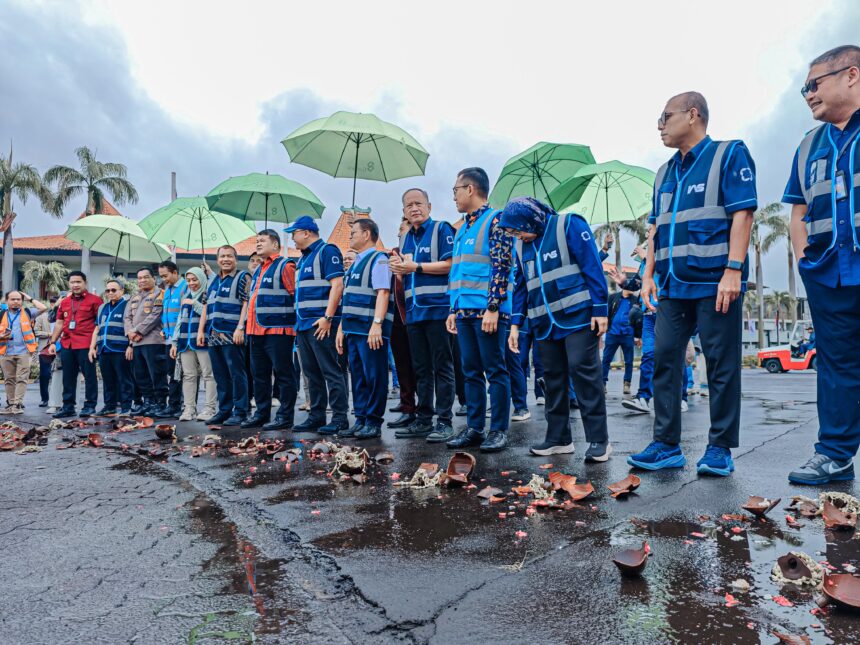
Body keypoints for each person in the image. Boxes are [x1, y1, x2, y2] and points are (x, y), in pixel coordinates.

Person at [628, 91, 757, 476]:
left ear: (693, 115)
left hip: (716, 283)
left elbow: (743, 214)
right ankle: (666, 444)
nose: (660, 125)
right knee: (664, 359)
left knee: (721, 365)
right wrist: (647, 275)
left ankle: (720, 448)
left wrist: (733, 271)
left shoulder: (728, 154)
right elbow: (655, 229)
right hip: (672, 286)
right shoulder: (664, 172)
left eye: (665, 116)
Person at [784, 45, 860, 485]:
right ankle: (833, 454)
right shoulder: (809, 145)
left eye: (813, 84)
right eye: (804, 88)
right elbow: (797, 210)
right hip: (828, 271)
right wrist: (802, 261)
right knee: (836, 364)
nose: (808, 94)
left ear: (851, 75)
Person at [503, 197, 611, 460]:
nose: (519, 236)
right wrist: (515, 324)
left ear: (532, 220)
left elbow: (592, 265)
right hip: (544, 322)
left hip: (578, 317)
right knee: (552, 379)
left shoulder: (568, 225)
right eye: (514, 233)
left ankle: (599, 440)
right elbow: (520, 286)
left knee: (583, 373)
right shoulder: (521, 245)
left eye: (519, 230)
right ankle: (558, 438)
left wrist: (600, 308)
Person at [446, 167, 512, 453]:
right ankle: (475, 427)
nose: (455, 197)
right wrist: (453, 308)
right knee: (470, 370)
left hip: (488, 312)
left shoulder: (495, 219)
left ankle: (498, 429)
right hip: (464, 313)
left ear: (470, 189)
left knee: (495, 370)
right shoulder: (464, 227)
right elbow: (459, 271)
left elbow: (502, 264)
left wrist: (494, 307)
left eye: (456, 190)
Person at [390, 193, 459, 442]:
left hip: (438, 309)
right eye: (409, 205)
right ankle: (423, 419)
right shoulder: (406, 238)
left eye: (419, 204)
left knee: (442, 366)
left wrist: (415, 267)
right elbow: (408, 274)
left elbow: (451, 264)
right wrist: (399, 270)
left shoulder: (442, 229)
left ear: (429, 206)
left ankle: (444, 421)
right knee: (420, 368)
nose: (414, 208)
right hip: (414, 312)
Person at [287, 215, 350, 435]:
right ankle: (316, 415)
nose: (292, 239)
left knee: (331, 371)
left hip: (321, 323)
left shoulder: (327, 251)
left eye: (293, 234)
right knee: (311, 374)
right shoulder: (303, 259)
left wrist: (328, 317)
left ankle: (340, 417)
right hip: (303, 325)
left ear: (306, 232)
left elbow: (338, 285)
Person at [336, 218, 393, 439]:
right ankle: (360, 419)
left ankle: (373, 421)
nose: (350, 237)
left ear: (366, 234)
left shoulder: (379, 260)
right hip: (352, 329)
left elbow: (383, 293)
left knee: (374, 376)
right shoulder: (355, 264)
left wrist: (377, 325)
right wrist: (341, 329)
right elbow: (348, 300)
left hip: (369, 331)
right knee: (358, 376)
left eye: (353, 233)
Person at [242, 229, 298, 431]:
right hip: (255, 331)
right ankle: (262, 413)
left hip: (278, 331)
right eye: (257, 240)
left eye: (262, 240)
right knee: (259, 375)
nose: (258, 244)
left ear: (275, 245)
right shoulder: (258, 270)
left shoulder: (285, 265)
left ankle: (285, 416)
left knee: (283, 375)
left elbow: (295, 297)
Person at [197, 245, 251, 426]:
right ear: (217, 259)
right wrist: (200, 331)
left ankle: (241, 411)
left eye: (229, 256)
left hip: (232, 334)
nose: (225, 259)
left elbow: (246, 303)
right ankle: (224, 410)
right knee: (220, 375)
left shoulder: (242, 277)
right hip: (213, 335)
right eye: (222, 256)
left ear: (236, 259)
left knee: (237, 374)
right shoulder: (212, 281)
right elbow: (205, 306)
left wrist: (240, 327)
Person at [49, 271, 103, 417]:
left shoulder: (96, 301)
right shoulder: (65, 302)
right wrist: (53, 342)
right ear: (69, 284)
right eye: (72, 282)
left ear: (85, 283)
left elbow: (99, 324)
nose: (75, 285)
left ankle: (90, 406)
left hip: (86, 344)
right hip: (67, 344)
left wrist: (95, 344)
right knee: (68, 376)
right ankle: (68, 406)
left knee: (89, 376)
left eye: (78, 282)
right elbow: (60, 322)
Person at [171, 268, 216, 422]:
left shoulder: (208, 295)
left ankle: (210, 408)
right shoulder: (186, 296)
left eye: (195, 279)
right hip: (185, 342)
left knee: (209, 375)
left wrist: (195, 303)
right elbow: (180, 320)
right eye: (189, 280)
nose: (191, 283)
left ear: (202, 279)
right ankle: (189, 409)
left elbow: (209, 315)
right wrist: (174, 342)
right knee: (188, 376)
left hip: (202, 341)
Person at [387, 216, 419, 431]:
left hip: (418, 313)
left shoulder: (419, 253)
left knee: (422, 366)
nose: (400, 232)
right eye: (399, 229)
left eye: (403, 229)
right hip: (397, 315)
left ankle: (425, 408)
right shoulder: (392, 254)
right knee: (402, 365)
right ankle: (407, 406)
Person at [124, 267, 168, 417]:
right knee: (141, 375)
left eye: (145, 277)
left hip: (154, 341)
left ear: (154, 279)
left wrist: (137, 331)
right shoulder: (134, 297)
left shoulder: (160, 294)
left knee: (156, 374)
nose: (142, 280)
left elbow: (155, 316)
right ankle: (148, 402)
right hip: (136, 343)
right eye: (139, 278)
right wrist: (130, 333)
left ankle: (160, 403)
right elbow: (127, 317)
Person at [88, 279, 132, 415]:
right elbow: (97, 328)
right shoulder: (103, 307)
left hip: (120, 349)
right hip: (103, 349)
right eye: (108, 290)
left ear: (122, 291)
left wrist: (131, 346)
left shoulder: (127, 306)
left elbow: (131, 327)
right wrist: (92, 347)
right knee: (107, 380)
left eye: (114, 290)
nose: (110, 293)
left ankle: (126, 407)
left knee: (124, 379)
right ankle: (109, 406)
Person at [0, 291, 47, 413]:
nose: (16, 302)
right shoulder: (1, 314)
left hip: (25, 351)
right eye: (13, 299)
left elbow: (43, 308)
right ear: (6, 301)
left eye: (18, 299)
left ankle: (18, 404)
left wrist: (29, 298)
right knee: (9, 379)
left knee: (22, 378)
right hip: (6, 351)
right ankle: (10, 404)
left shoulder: (28, 312)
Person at [157, 261, 187, 418]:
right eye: (161, 276)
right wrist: (163, 329)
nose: (163, 279)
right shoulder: (167, 290)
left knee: (180, 373)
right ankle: (174, 404)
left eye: (165, 275)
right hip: (168, 339)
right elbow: (165, 314)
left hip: (180, 339)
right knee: (171, 372)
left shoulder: (185, 287)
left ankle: (178, 406)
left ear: (175, 272)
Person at [601, 288, 639, 396]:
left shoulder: (636, 300)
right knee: (606, 360)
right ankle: (602, 383)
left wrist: (638, 336)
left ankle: (627, 384)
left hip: (628, 334)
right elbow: (606, 313)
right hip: (612, 334)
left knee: (629, 361)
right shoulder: (613, 297)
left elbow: (638, 318)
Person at [245, 252, 262, 404]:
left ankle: (269, 396)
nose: (255, 263)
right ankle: (249, 395)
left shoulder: (263, 278)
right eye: (252, 260)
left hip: (263, 328)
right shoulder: (247, 280)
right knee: (249, 365)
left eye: (259, 260)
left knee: (263, 368)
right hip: (247, 328)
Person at [34, 297, 53, 407]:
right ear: (51, 304)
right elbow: (36, 332)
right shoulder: (42, 317)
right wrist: (49, 335)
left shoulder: (66, 316)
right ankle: (44, 399)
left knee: (61, 375)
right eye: (53, 303)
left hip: (61, 348)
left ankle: (61, 400)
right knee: (44, 375)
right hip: (45, 348)